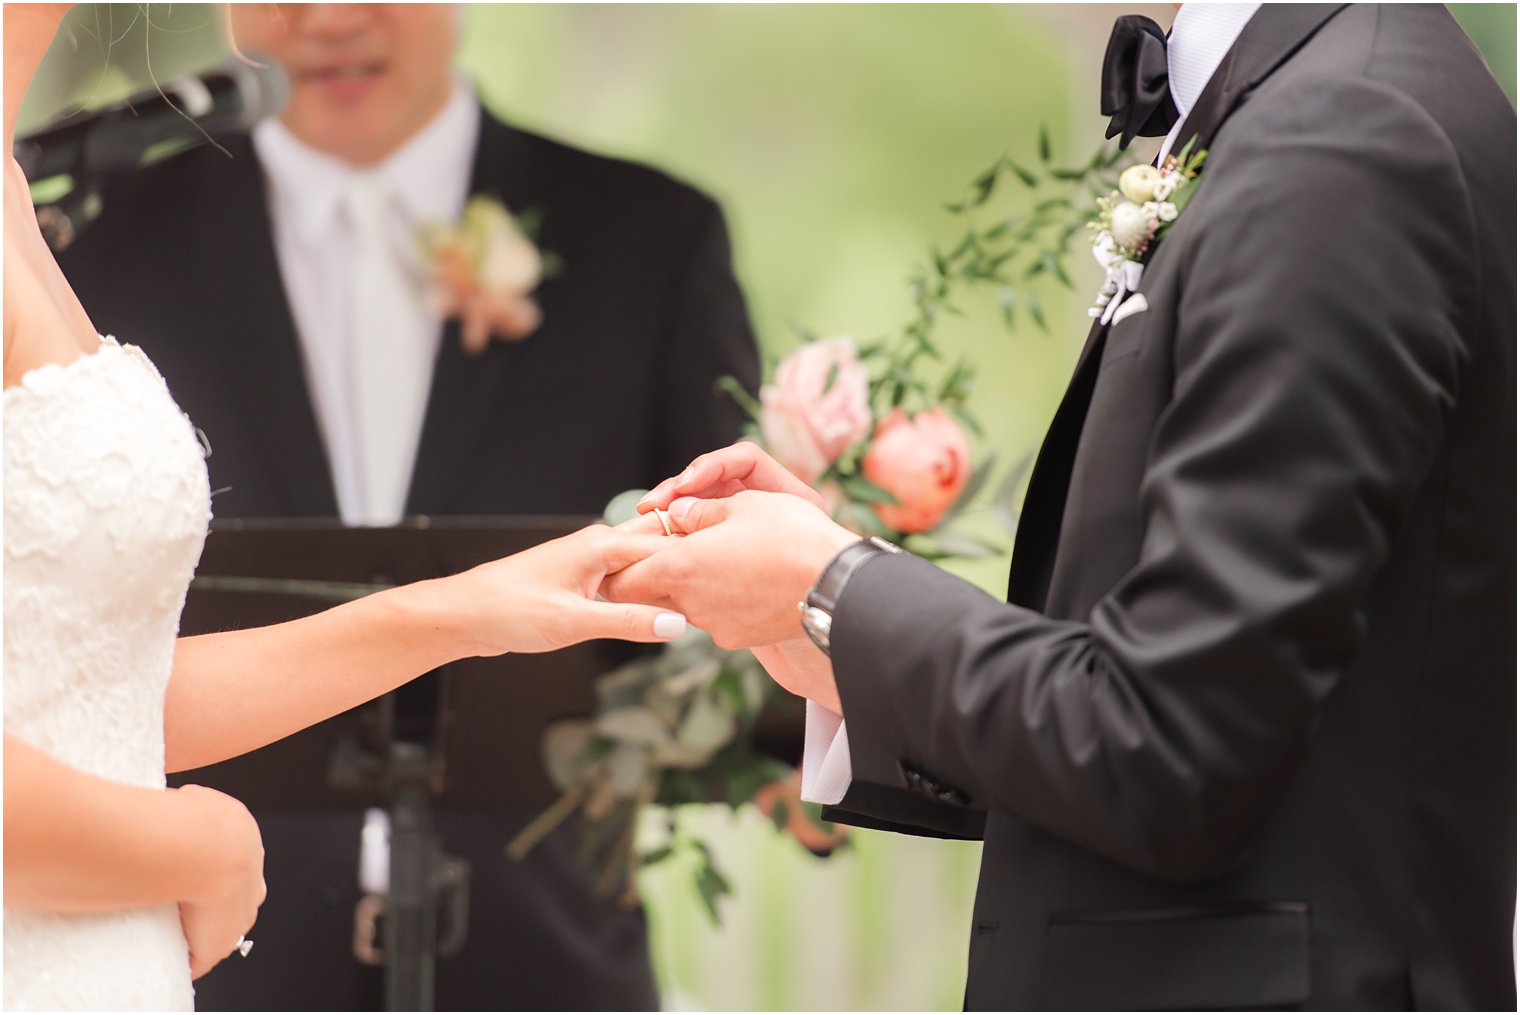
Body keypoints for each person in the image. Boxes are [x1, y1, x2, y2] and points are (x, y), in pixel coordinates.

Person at [623, 4, 1516, 1009]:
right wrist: (834, 631)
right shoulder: (1308, 107)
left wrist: (835, 588)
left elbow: (1173, 746)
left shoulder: (1343, 140)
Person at [53, 4, 761, 1010]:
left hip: (546, 953)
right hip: (201, 953)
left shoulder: (651, 235)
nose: (334, 16)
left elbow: (731, 564)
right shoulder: (89, 240)